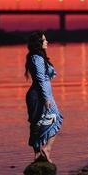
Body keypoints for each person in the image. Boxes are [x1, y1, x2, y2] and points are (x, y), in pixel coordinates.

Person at [24, 31, 63, 163]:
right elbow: (41, 79)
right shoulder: (37, 58)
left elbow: (45, 78)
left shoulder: (37, 57)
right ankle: (46, 150)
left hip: (41, 94)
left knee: (38, 123)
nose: (47, 42)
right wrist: (46, 98)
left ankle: (38, 154)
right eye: (44, 40)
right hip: (40, 95)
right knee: (55, 118)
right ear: (39, 43)